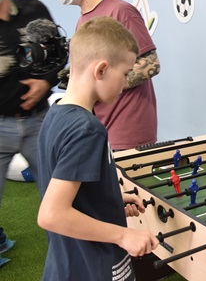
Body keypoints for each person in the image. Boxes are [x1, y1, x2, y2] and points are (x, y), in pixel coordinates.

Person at [37, 17, 159, 280]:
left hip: (66, 263)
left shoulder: (56, 114)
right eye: (124, 74)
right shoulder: (88, 129)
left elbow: (70, 187)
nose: (125, 85)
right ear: (101, 69)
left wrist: (111, 201)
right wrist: (124, 234)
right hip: (94, 267)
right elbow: (52, 214)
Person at [46, 0, 160, 150]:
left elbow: (151, 64)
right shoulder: (82, 21)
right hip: (99, 126)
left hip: (127, 129)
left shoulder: (120, 12)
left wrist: (97, 81)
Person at [0, 0, 64, 267]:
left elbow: (59, 54)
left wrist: (46, 81)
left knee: (59, 195)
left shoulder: (33, 11)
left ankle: (67, 255)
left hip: (39, 121)